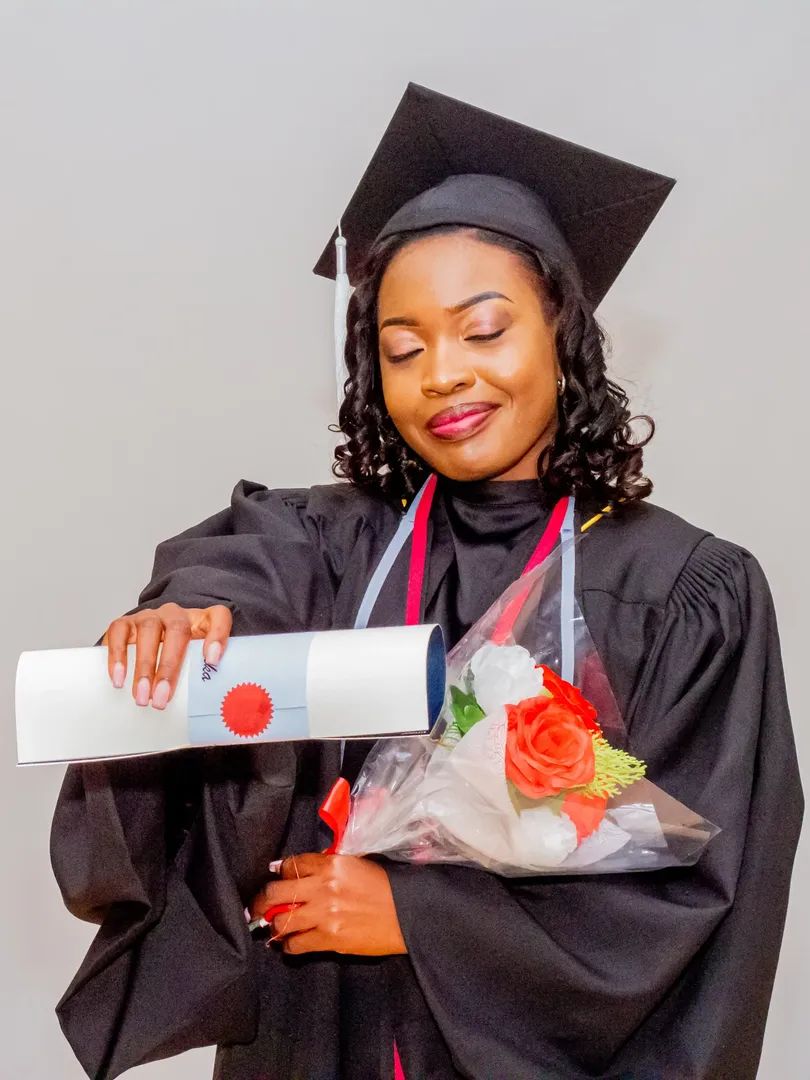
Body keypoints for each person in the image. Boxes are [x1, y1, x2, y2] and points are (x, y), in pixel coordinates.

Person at [50, 83, 802, 1080]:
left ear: (564, 339)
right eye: (402, 349)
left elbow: (705, 890)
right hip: (317, 1042)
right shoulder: (329, 548)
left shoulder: (688, 593)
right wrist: (183, 621)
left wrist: (421, 917)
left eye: (484, 331)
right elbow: (240, 576)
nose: (443, 372)